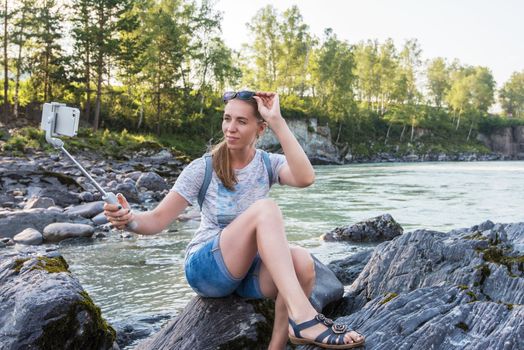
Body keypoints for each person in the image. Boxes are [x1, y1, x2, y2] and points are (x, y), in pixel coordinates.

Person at [104, 90, 365, 349]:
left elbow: (306, 178)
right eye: (227, 119)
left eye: (241, 121)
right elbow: (157, 220)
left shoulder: (267, 163)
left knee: (302, 262)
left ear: (260, 129)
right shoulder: (202, 168)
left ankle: (279, 343)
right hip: (207, 268)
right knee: (266, 209)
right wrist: (129, 220)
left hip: (247, 272)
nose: (231, 128)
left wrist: (278, 121)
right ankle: (306, 316)